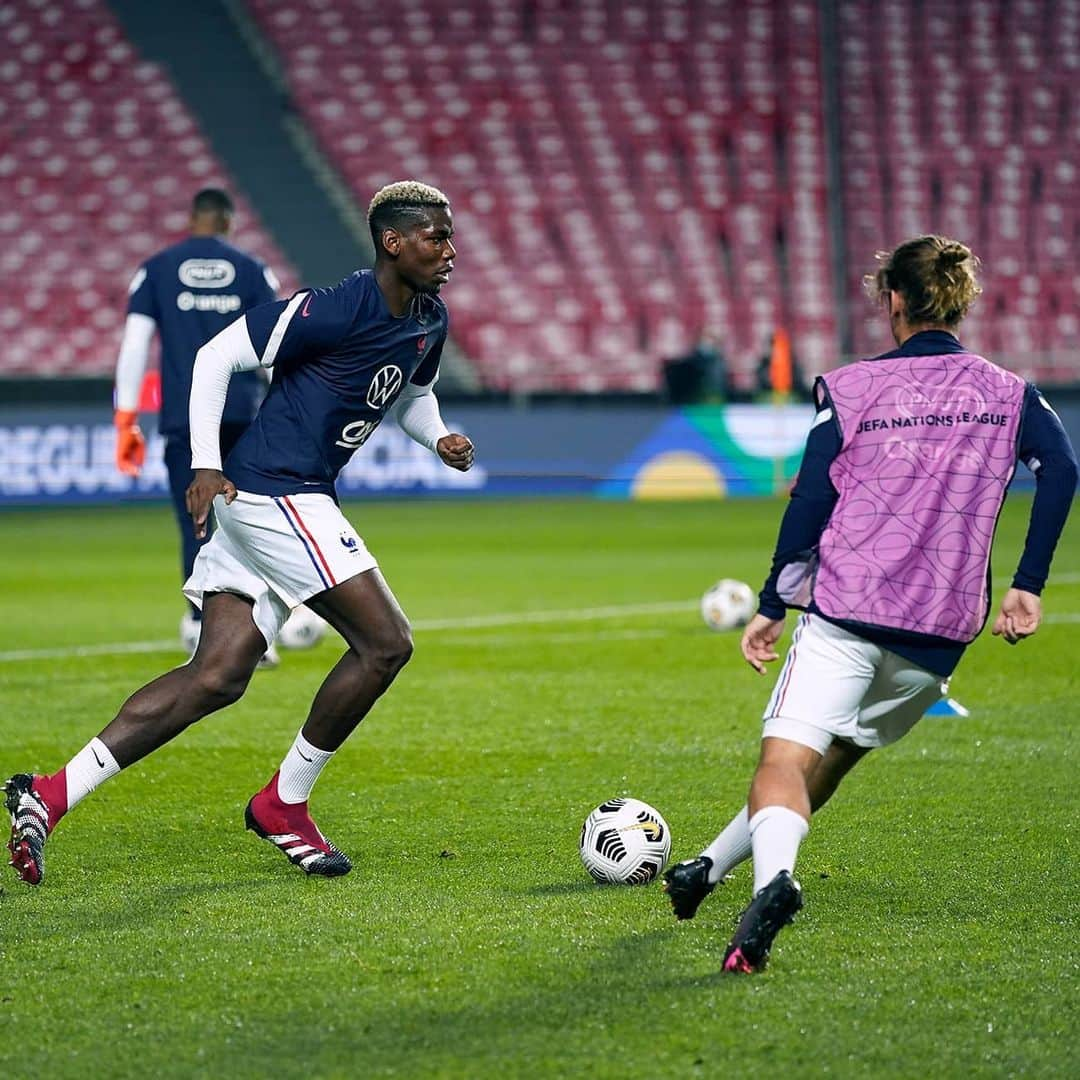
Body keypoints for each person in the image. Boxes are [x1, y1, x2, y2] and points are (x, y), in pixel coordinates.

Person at [6, 180, 473, 884]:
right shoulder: (337, 305)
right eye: (436, 237)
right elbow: (215, 357)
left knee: (216, 676)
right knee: (385, 644)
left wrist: (436, 439)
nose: (450, 249)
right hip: (276, 491)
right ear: (393, 242)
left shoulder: (428, 320)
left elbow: (411, 397)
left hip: (280, 495)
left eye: (450, 235)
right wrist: (202, 463)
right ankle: (284, 803)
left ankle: (50, 794)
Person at [662, 235, 1078, 972]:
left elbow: (812, 499)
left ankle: (774, 885)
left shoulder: (852, 388)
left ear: (891, 300)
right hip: (938, 634)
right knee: (842, 745)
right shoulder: (1008, 392)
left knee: (784, 760)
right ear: (960, 300)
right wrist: (1028, 583)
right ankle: (705, 869)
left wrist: (772, 603)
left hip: (849, 611)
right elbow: (1062, 469)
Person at [114, 187, 280, 658]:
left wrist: (127, 419)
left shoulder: (157, 269)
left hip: (184, 420)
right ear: (228, 221)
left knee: (196, 522)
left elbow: (134, 346)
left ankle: (197, 626)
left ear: (193, 219)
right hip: (241, 415)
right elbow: (272, 345)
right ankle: (253, 632)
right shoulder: (251, 270)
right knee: (248, 520)